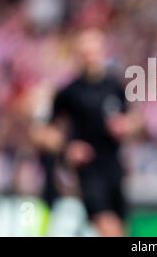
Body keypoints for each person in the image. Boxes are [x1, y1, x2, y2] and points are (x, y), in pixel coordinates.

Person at [31, 29, 142, 236]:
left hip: (114, 168)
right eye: (84, 53)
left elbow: (135, 120)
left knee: (119, 227)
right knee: (109, 228)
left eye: (93, 52)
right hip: (89, 171)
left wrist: (125, 126)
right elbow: (41, 132)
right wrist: (67, 148)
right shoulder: (69, 92)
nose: (89, 58)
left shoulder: (114, 85)